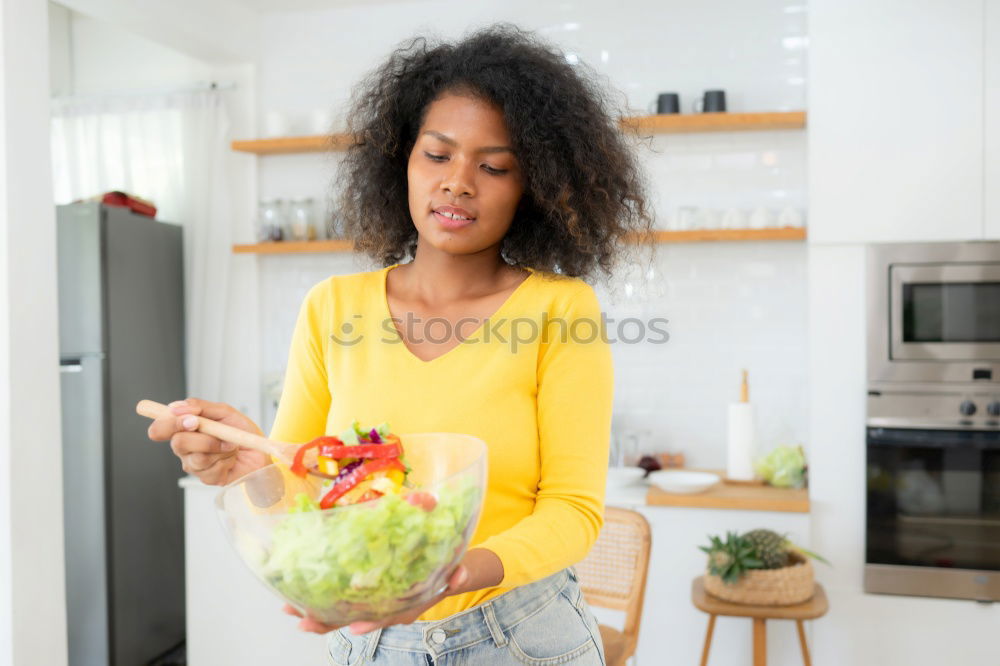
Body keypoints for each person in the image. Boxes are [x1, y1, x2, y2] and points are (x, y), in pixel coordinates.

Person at [148, 24, 652, 666]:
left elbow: (574, 512)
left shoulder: (560, 309)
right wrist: (250, 470)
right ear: (401, 162)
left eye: (494, 166)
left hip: (520, 635)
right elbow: (300, 491)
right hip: (376, 641)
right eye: (437, 155)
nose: (459, 182)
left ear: (535, 188)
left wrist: (452, 576)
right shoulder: (332, 306)